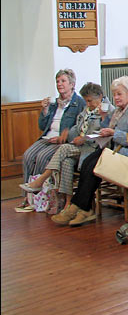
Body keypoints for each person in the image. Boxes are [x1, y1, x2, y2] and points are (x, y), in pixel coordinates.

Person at [51, 76, 128, 226]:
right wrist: (105, 118)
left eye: (119, 94)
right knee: (88, 162)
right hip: (118, 151)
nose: (116, 98)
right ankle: (82, 208)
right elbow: (105, 128)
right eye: (114, 94)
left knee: (95, 163)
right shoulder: (119, 110)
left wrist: (113, 134)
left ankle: (80, 207)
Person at [18, 83, 114, 213]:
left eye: (90, 100)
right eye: (86, 101)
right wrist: (67, 133)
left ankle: (41, 180)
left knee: (63, 149)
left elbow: (105, 132)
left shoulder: (108, 110)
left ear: (100, 96)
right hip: (80, 147)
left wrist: (84, 137)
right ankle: (68, 204)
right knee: (66, 162)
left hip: (93, 149)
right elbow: (78, 127)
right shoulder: (88, 109)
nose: (88, 103)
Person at [16, 69, 86, 212]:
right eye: (57, 81)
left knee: (42, 157)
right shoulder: (54, 103)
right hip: (47, 137)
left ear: (72, 84)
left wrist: (65, 136)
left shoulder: (79, 103)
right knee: (28, 155)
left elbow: (80, 126)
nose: (59, 84)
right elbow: (42, 126)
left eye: (63, 81)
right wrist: (45, 110)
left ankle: (37, 197)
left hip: (61, 141)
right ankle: (27, 196)